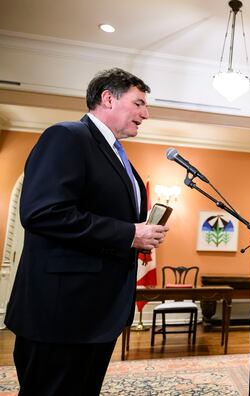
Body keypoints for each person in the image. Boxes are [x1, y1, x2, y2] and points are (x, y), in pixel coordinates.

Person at [5, 68, 169, 395]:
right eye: (138, 103)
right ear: (108, 98)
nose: (145, 114)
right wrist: (128, 233)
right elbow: (42, 212)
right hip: (62, 312)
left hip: (97, 314)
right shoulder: (67, 136)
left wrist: (139, 234)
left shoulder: (118, 156)